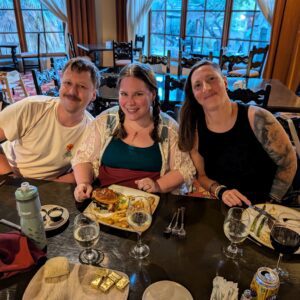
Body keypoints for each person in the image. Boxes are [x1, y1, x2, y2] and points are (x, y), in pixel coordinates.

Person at [178, 60, 297, 207]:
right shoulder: (194, 128)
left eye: (211, 79)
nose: (206, 88)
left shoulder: (257, 118)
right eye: (198, 85)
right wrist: (221, 191)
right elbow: (201, 176)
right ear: (194, 94)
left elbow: (289, 163)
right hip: (224, 202)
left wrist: (271, 202)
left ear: (225, 82)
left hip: (263, 203)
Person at [73, 62, 195, 202]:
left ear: (153, 94)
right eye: (124, 94)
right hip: (104, 204)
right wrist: (84, 183)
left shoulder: (169, 129)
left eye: (138, 94)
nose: (130, 102)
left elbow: (184, 169)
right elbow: (84, 158)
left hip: (146, 208)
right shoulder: (104, 121)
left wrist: (158, 185)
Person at [0, 57, 99, 182]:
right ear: (60, 85)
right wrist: (10, 177)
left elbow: (86, 171)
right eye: (67, 83)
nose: (72, 91)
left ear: (93, 94)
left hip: (46, 185)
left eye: (82, 86)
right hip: (8, 173)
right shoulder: (31, 107)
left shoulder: (92, 129)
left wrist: (50, 188)